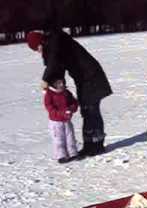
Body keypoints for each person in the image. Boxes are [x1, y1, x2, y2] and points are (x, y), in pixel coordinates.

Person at [26, 29, 112, 157]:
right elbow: (58, 68)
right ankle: (89, 145)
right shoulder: (55, 45)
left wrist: (45, 79)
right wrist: (57, 88)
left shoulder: (55, 42)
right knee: (86, 111)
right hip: (84, 78)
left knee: (91, 110)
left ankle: (97, 145)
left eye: (37, 48)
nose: (39, 52)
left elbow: (54, 62)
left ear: (41, 42)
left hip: (91, 77)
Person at [43, 78, 79, 163]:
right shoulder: (49, 94)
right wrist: (61, 113)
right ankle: (61, 155)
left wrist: (71, 109)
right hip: (56, 122)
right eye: (58, 83)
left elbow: (74, 102)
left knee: (70, 137)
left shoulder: (66, 92)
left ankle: (72, 153)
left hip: (67, 120)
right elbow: (49, 107)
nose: (61, 85)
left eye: (62, 83)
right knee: (59, 139)